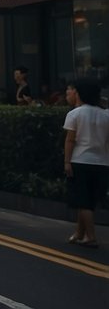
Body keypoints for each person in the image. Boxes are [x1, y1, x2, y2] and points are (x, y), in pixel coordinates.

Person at [63, 78, 109, 248]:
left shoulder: (75, 114)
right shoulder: (106, 114)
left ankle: (91, 236)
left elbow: (70, 140)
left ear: (79, 94)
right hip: (102, 162)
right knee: (89, 201)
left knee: (82, 201)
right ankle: (79, 233)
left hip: (80, 160)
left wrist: (67, 162)